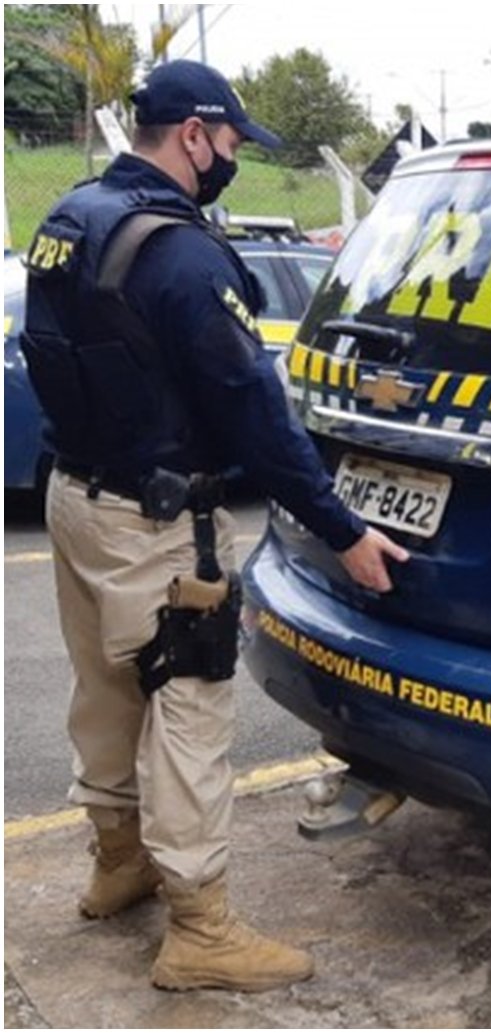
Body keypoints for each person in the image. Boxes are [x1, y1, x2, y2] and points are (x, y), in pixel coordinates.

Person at [20, 60, 408, 993]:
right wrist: (343, 529)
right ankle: (200, 926)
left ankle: (118, 862)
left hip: (77, 502)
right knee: (188, 713)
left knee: (107, 693)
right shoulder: (182, 254)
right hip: (163, 526)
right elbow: (254, 415)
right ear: (194, 135)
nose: (230, 158)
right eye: (230, 142)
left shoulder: (69, 221)